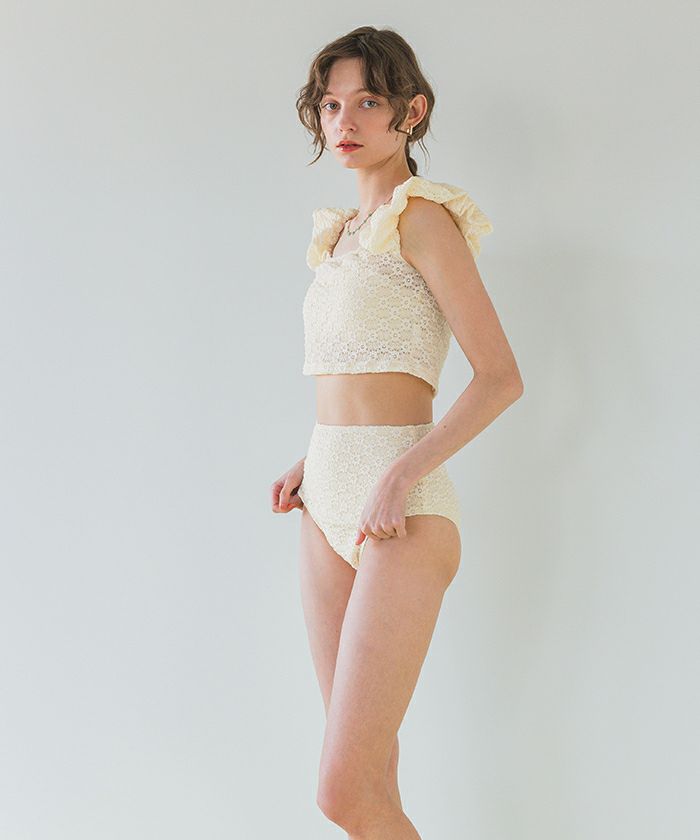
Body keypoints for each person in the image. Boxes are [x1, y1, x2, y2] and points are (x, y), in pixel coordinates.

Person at [271, 26, 524, 840]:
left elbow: (500, 377)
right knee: (371, 779)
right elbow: (358, 372)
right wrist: (312, 460)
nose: (343, 122)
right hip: (323, 500)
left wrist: (397, 474)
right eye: (330, 105)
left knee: (341, 791)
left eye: (367, 102)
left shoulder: (424, 220)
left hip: (402, 509)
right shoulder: (340, 235)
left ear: (410, 113)